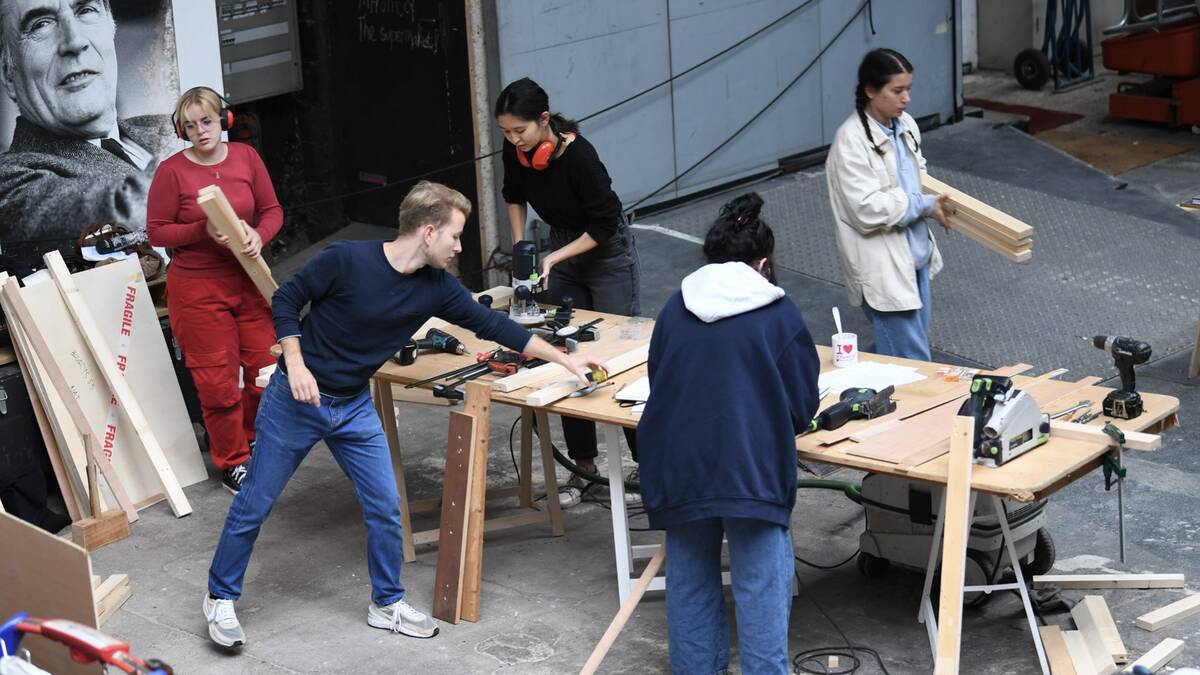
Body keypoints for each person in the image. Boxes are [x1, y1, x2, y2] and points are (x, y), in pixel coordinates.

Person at [201, 181, 606, 648]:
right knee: (255, 503)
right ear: (428, 231)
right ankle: (220, 596)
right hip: (298, 401)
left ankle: (386, 603)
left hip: (352, 405)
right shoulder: (345, 260)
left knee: (385, 507)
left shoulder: (437, 288)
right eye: (455, 236)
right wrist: (294, 364)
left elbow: (496, 326)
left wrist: (566, 359)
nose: (459, 247)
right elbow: (286, 299)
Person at [637, 193, 820, 674]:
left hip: (678, 466)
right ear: (763, 263)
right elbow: (801, 407)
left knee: (691, 582)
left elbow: (660, 380)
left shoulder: (676, 307)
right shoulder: (779, 315)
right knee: (760, 587)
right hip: (750, 468)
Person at [495, 77, 640, 506]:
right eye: (505, 132)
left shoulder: (581, 158)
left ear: (544, 121)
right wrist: (523, 247)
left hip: (606, 251)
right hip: (561, 246)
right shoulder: (516, 149)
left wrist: (553, 258)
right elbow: (513, 194)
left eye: (519, 131)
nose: (513, 139)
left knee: (619, 358)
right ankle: (585, 470)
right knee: (568, 351)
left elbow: (603, 225)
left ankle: (645, 473)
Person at [146, 86, 279, 494]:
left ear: (225, 120)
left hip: (248, 279)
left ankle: (249, 438)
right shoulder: (172, 171)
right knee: (218, 382)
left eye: (206, 121)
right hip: (198, 289)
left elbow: (273, 211)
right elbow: (157, 232)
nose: (200, 131)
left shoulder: (246, 158)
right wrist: (202, 230)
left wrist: (259, 235)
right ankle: (233, 461)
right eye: (190, 125)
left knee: (265, 370)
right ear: (180, 130)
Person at [0, 0, 173, 250]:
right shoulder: (10, 182)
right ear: (8, 72)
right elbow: (122, 213)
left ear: (111, 28)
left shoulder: (165, 126)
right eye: (41, 24)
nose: (75, 41)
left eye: (86, 10)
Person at [825, 48, 952, 361]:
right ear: (870, 90)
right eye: (897, 91)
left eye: (908, 89)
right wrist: (923, 205)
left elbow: (917, 170)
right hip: (884, 269)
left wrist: (937, 203)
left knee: (897, 352)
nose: (906, 98)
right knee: (913, 363)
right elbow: (867, 208)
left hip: (915, 260)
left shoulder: (905, 124)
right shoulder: (850, 142)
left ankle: (844, 376)